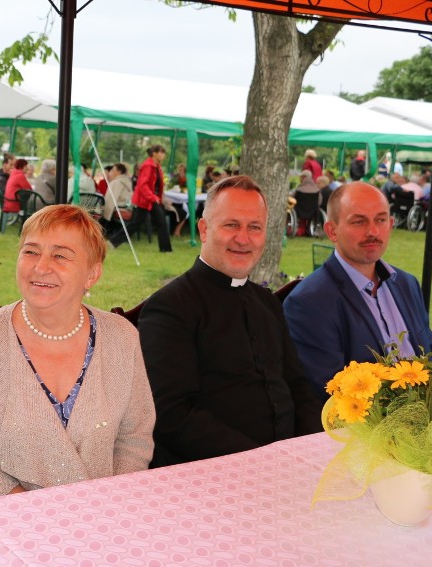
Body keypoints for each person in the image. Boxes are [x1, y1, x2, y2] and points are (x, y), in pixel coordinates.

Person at [0, 205, 155, 503]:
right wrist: (36, 515)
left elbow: (134, 439)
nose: (41, 267)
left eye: (60, 255)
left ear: (91, 274)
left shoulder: (122, 338)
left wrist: (106, 502)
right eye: (30, 251)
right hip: (2, 519)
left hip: (102, 513)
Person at [138, 175, 322, 466]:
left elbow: (298, 387)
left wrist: (313, 447)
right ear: (204, 229)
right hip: (210, 474)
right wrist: (260, 461)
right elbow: (173, 415)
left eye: (254, 228)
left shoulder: (267, 303)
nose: (243, 238)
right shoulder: (170, 308)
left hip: (288, 465)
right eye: (231, 225)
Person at [283, 182, 432, 401]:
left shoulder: (407, 284)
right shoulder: (308, 303)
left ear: (391, 224)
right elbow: (332, 393)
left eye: (381, 220)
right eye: (359, 221)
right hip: (366, 429)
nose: (373, 231)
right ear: (332, 230)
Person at [107, 145, 172, 253]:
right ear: (154, 153)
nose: (163, 155)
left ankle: (166, 249)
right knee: (135, 224)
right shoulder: (148, 166)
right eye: (161, 152)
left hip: (151, 200)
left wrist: (157, 197)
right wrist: (152, 197)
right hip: (144, 200)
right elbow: (142, 185)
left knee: (161, 222)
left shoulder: (157, 166)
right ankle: (113, 242)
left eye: (163, 153)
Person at [101, 163, 132, 232]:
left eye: (112, 169)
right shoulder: (126, 181)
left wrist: (105, 218)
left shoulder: (116, 182)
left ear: (118, 172)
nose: (110, 171)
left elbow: (110, 201)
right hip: (128, 208)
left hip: (120, 209)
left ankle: (104, 230)